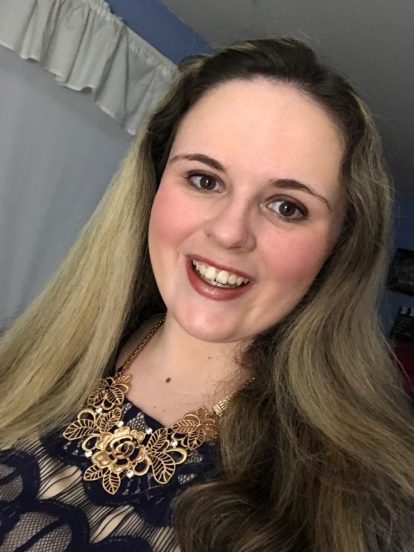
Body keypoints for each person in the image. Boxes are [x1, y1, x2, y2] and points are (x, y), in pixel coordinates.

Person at [0, 37, 413, 552]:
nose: (229, 232)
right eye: (203, 179)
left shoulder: (359, 508)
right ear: (153, 184)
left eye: (287, 207)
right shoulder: (25, 357)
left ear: (339, 245)